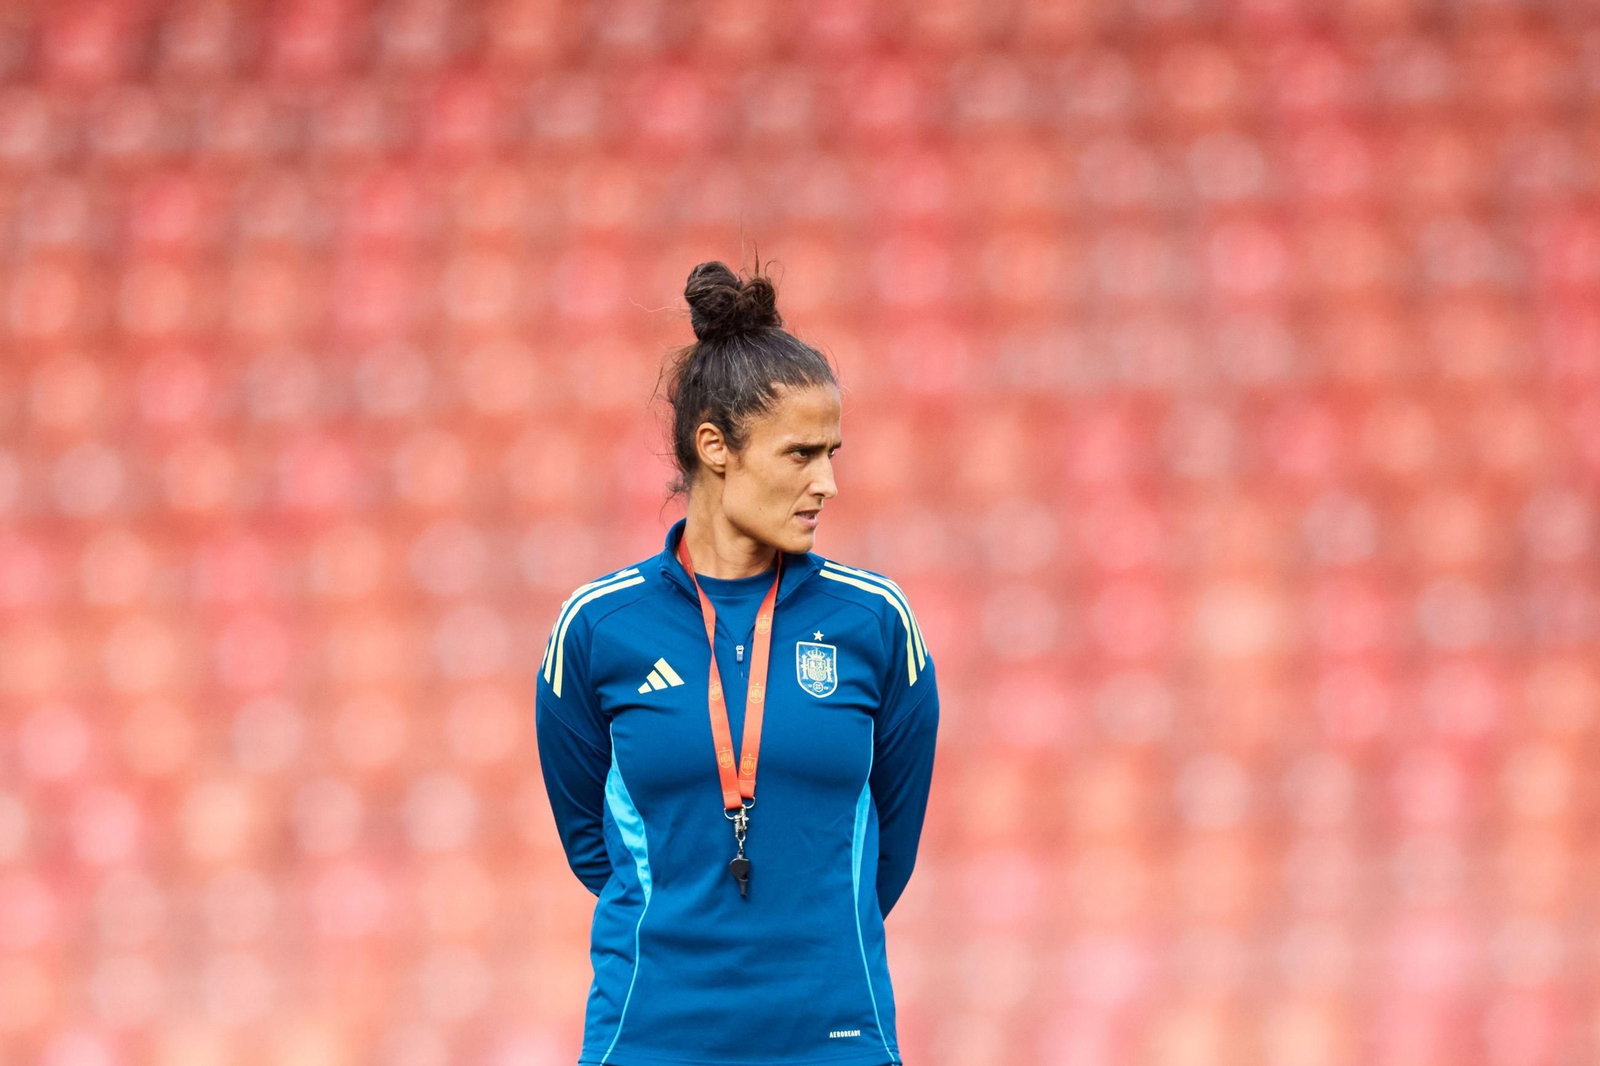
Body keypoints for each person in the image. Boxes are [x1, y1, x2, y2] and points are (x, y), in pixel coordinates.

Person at [535, 260, 940, 1066]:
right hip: (649, 1034)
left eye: (832, 453)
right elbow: (594, 848)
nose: (826, 482)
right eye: (800, 455)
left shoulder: (875, 623)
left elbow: (889, 852)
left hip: (836, 1036)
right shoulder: (597, 628)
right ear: (715, 446)